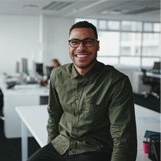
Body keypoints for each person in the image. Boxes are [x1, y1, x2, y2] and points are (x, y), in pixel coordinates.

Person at [28, 21, 137, 161]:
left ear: (97, 46)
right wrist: (50, 149)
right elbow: (54, 115)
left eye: (88, 42)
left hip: (94, 149)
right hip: (61, 145)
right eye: (75, 42)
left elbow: (123, 135)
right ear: (69, 46)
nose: (81, 47)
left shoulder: (116, 81)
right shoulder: (57, 74)